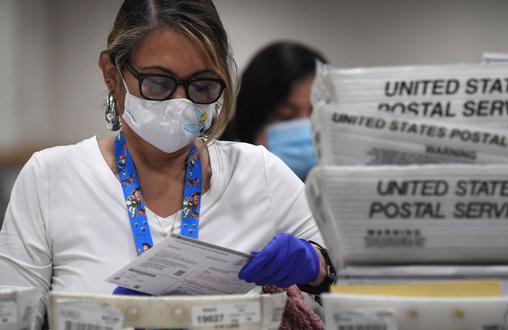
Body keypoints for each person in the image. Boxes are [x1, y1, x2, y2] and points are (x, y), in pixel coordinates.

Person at [0, 1, 334, 328]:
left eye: (202, 85)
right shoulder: (50, 177)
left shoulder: (257, 172)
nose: (181, 103)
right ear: (111, 74)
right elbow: (11, 317)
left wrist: (316, 265)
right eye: (158, 83)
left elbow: (353, 278)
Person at [223, 41, 327, 180]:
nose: (305, 127)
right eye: (286, 115)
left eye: (316, 114)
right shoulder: (213, 179)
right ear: (252, 116)